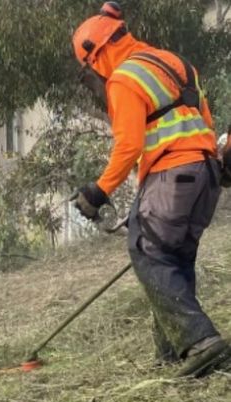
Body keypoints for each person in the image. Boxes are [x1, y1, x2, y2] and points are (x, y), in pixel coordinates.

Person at [72, 1, 231, 377]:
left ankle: (200, 342)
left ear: (100, 52)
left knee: (147, 250)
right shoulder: (175, 64)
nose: (95, 73)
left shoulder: (124, 78)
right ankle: (173, 353)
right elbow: (205, 122)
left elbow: (128, 145)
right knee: (173, 258)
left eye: (91, 67)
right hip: (205, 174)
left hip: (172, 173)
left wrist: (98, 192)